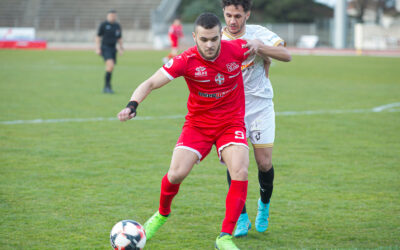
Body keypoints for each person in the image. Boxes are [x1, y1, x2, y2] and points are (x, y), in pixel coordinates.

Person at [118, 12, 262, 250]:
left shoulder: (236, 49)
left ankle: (224, 236)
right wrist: (132, 104)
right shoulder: (186, 60)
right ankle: (162, 214)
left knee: (240, 169)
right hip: (198, 126)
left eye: (214, 39)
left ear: (220, 36)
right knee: (175, 174)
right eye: (204, 39)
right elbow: (151, 82)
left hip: (231, 124)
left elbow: (274, 51)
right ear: (195, 37)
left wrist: (259, 47)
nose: (209, 44)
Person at [220, 0, 292, 237]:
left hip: (260, 107)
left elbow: (286, 55)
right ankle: (241, 218)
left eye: (238, 16)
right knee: (235, 163)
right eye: (229, 15)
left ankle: (264, 205)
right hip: (232, 110)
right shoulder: (216, 40)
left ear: (247, 14)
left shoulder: (259, 33)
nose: (233, 21)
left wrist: (259, 47)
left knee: (264, 163)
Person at [95, 10, 124, 94]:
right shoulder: (103, 25)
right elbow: (98, 36)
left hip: (113, 49)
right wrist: (97, 48)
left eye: (114, 16)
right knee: (110, 65)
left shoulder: (117, 25)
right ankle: (107, 87)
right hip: (105, 47)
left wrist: (121, 48)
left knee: (110, 68)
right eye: (111, 16)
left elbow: (119, 38)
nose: (112, 17)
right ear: (108, 16)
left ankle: (107, 87)